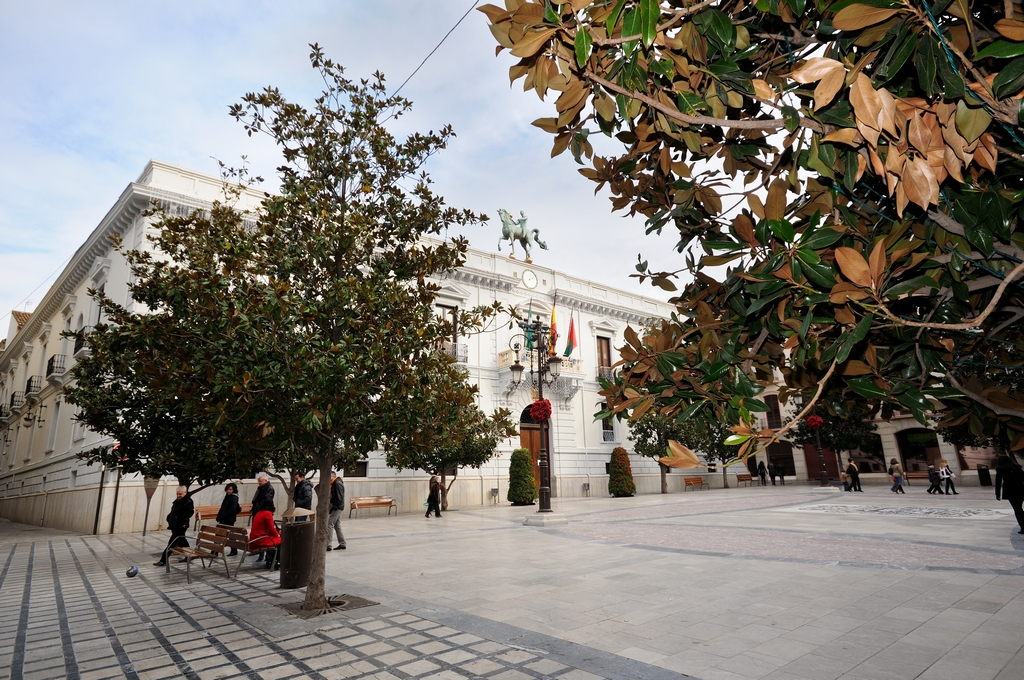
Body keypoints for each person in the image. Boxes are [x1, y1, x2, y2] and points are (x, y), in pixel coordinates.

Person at [154, 486, 193, 567]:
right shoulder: (178, 501)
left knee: (171, 543)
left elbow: (189, 513)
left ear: (185, 493)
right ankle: (190, 555)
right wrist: (169, 517)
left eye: (180, 494)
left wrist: (178, 518)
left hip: (181, 526)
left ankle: (163, 560)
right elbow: (173, 511)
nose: (178, 495)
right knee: (182, 541)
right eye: (177, 494)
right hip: (175, 525)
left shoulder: (188, 502)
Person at [248, 499, 281, 569]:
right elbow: (271, 529)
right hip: (260, 540)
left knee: (275, 540)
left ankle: (270, 560)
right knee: (280, 541)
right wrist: (277, 535)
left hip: (254, 539)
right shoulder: (268, 514)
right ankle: (275, 561)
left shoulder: (258, 513)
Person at [995, 455, 1024, 534]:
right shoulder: (1017, 468)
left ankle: (1023, 526)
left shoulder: (1000, 469)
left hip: (1010, 491)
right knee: (1019, 507)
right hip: (1020, 489)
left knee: (1017, 509)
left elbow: (998, 482)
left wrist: (997, 494)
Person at [251, 473, 275, 562]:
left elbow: (267, 500)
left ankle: (265, 555)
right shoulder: (261, 488)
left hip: (261, 512)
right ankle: (262, 555)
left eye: (260, 481)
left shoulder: (269, 488)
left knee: (264, 533)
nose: (259, 483)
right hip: (258, 512)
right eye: (258, 481)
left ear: (265, 480)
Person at [216, 482, 242, 555]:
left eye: (230, 489)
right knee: (226, 535)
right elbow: (223, 507)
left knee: (224, 535)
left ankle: (216, 551)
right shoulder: (227, 496)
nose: (229, 491)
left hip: (228, 520)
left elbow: (232, 509)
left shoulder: (234, 497)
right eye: (228, 489)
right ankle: (233, 550)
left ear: (234, 490)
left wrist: (224, 515)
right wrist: (219, 516)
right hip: (224, 519)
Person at [327, 472, 347, 551]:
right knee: (337, 525)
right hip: (338, 506)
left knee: (329, 524)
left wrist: (335, 506)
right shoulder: (335, 483)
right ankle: (342, 543)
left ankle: (328, 545)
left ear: (333, 476)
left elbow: (339, 496)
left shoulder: (337, 483)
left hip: (337, 507)